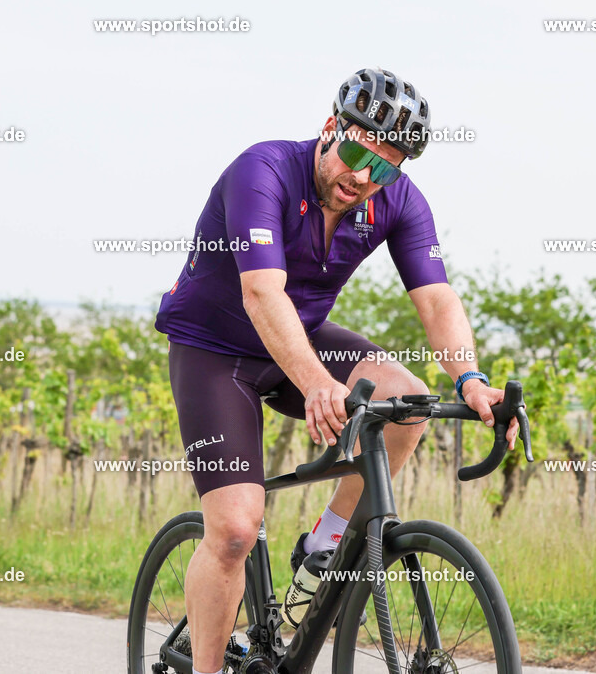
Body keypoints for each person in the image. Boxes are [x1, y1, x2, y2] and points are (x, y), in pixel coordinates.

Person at [154, 67, 518, 674]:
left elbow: (436, 299)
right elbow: (263, 295)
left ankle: (323, 547)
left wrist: (472, 381)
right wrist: (318, 382)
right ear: (331, 128)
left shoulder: (395, 199)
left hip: (300, 335)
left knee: (406, 400)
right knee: (237, 530)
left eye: (384, 167)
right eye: (355, 152)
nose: (362, 176)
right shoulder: (262, 171)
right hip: (215, 350)